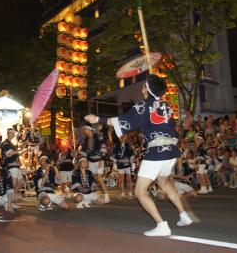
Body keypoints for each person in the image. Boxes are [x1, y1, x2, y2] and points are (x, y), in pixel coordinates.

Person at [85, 74, 193, 236]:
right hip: (171, 151)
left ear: (147, 89)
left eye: (144, 86)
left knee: (140, 192)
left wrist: (97, 119)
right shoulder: (166, 105)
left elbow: (125, 121)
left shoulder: (143, 105)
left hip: (157, 151)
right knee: (165, 184)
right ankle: (184, 216)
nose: (141, 88)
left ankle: (162, 225)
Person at [80, 126, 110, 203]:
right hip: (90, 161)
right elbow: (86, 153)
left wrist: (102, 160)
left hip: (99, 160)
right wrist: (79, 153)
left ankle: (107, 196)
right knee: (91, 179)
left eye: (84, 129)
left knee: (99, 178)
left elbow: (104, 147)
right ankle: (91, 197)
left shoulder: (98, 137)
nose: (83, 131)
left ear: (89, 129)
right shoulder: (85, 140)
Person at [0, 128, 22, 207]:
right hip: (11, 166)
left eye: (13, 133)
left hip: (16, 165)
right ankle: (9, 202)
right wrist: (21, 150)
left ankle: (9, 200)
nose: (12, 135)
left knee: (20, 183)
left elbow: (14, 154)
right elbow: (8, 154)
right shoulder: (5, 143)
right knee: (13, 184)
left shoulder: (11, 144)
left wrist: (19, 161)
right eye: (11, 133)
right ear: (8, 134)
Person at [111, 134, 134, 199]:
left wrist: (132, 163)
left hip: (128, 164)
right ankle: (122, 193)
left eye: (125, 137)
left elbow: (132, 155)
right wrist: (114, 162)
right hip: (120, 164)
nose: (123, 138)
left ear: (126, 138)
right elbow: (114, 156)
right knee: (121, 180)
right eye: (122, 137)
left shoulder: (129, 146)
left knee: (129, 179)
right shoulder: (117, 146)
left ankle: (130, 193)